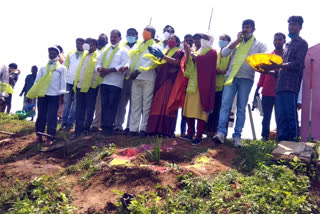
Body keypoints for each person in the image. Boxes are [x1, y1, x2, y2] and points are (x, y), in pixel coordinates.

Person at [213, 19, 267, 147]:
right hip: (231, 77)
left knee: (241, 108)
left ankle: (237, 137)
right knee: (225, 105)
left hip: (246, 78)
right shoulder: (236, 42)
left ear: (253, 29)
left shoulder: (259, 44)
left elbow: (264, 56)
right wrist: (235, 42)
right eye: (243, 27)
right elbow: (224, 53)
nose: (245, 29)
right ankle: (221, 133)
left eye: (248, 27)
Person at [261, 16, 308, 142]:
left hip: (291, 85)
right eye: (290, 24)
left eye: (294, 25)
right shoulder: (287, 45)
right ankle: (281, 142)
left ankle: (293, 142)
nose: (291, 27)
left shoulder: (302, 43)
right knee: (280, 116)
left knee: (290, 115)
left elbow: (298, 64)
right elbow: (281, 70)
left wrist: (279, 65)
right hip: (280, 86)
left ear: (300, 27)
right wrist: (267, 71)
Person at [124, 25, 160, 137]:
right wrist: (129, 69)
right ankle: (133, 129)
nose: (145, 33)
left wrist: (138, 70)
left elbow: (152, 61)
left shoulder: (155, 45)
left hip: (148, 78)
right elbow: (133, 58)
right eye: (144, 31)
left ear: (152, 34)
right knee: (135, 104)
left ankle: (144, 128)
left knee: (146, 105)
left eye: (147, 31)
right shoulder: (139, 45)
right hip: (135, 78)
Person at [182, 33, 217, 145]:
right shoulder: (197, 51)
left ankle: (199, 135)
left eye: (206, 38)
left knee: (200, 111)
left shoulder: (212, 52)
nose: (203, 40)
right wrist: (188, 53)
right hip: (193, 83)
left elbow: (203, 61)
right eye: (203, 38)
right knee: (189, 109)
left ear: (211, 40)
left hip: (204, 85)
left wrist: (191, 54)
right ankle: (190, 133)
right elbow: (188, 64)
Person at [26, 46, 66, 143]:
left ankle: (50, 137)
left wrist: (61, 95)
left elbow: (63, 82)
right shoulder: (43, 67)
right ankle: (39, 135)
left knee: (52, 116)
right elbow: (37, 81)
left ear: (58, 54)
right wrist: (32, 93)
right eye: (50, 52)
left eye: (54, 52)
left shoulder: (61, 68)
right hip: (42, 95)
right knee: (41, 116)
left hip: (54, 95)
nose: (51, 54)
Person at [146, 34, 184, 137]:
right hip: (161, 80)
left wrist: (163, 57)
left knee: (168, 105)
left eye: (173, 39)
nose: (170, 40)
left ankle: (166, 131)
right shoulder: (165, 51)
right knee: (157, 104)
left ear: (177, 42)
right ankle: (154, 129)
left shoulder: (179, 52)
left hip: (170, 81)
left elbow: (177, 63)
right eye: (169, 39)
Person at [95, 30, 129, 136]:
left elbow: (124, 65)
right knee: (104, 104)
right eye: (111, 37)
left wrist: (108, 70)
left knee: (112, 105)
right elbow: (98, 62)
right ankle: (104, 126)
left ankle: (109, 127)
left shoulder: (123, 51)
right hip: (104, 81)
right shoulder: (105, 50)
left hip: (116, 82)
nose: (112, 39)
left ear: (120, 38)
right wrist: (100, 69)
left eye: (115, 37)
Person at [254, 33, 286, 140]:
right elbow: (263, 74)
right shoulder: (269, 56)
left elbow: (284, 73)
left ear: (284, 41)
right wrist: (257, 89)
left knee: (279, 116)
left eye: (280, 40)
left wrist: (274, 73)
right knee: (266, 117)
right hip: (266, 91)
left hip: (280, 91)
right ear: (273, 41)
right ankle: (264, 137)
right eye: (276, 40)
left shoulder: (286, 56)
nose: (277, 42)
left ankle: (280, 138)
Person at [113, 28, 140, 134]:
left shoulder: (140, 47)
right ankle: (118, 125)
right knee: (121, 102)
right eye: (128, 34)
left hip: (135, 77)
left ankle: (130, 126)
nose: (130, 35)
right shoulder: (122, 47)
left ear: (137, 36)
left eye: (133, 34)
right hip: (123, 77)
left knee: (134, 103)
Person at [72, 38, 100, 138]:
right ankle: (77, 130)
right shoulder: (84, 55)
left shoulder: (98, 55)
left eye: (90, 43)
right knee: (79, 109)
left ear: (95, 45)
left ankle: (86, 129)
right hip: (80, 85)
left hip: (91, 87)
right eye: (87, 43)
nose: (88, 45)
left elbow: (98, 71)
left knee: (89, 109)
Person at [206, 34, 232, 137]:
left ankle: (220, 133)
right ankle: (208, 132)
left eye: (224, 39)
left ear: (228, 42)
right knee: (211, 109)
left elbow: (229, 68)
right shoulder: (215, 53)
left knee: (221, 109)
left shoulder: (230, 54)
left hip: (225, 86)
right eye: (220, 39)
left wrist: (221, 71)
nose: (221, 41)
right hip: (213, 85)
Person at [60, 38, 85, 130]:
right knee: (67, 102)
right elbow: (65, 67)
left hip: (79, 82)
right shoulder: (70, 54)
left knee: (76, 104)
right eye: (77, 43)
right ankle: (64, 122)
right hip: (69, 81)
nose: (78, 45)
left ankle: (71, 123)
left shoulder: (86, 55)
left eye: (81, 43)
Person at [91, 34, 109, 132]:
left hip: (102, 81)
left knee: (99, 104)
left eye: (104, 40)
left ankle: (97, 123)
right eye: (100, 39)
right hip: (90, 82)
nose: (102, 41)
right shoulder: (93, 51)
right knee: (90, 105)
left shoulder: (108, 51)